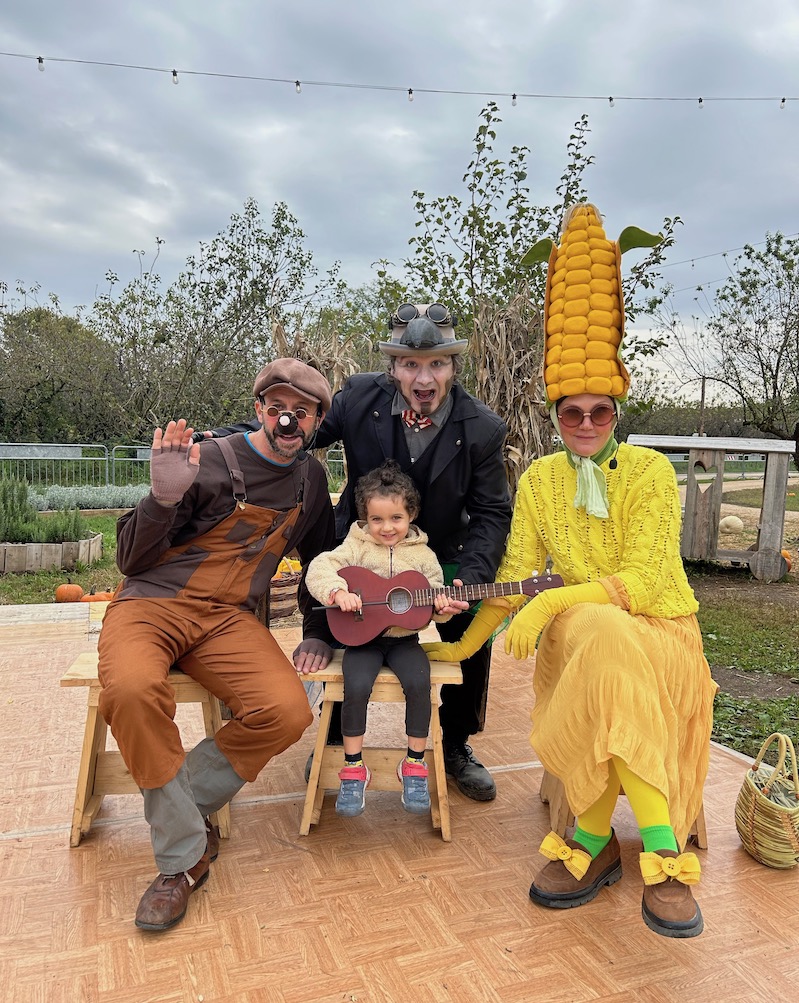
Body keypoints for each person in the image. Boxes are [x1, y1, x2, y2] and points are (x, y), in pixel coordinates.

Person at [425, 204, 717, 939]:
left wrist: (549, 605)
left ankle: (592, 840)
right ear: (554, 415)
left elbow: (643, 583)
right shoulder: (538, 481)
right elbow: (519, 574)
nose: (585, 424)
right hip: (582, 640)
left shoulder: (650, 472)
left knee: (604, 629)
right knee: (593, 630)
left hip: (661, 635)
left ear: (617, 411)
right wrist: (460, 646)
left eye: (599, 411)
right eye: (570, 413)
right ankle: (662, 853)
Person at [207, 304, 513, 801]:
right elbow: (299, 429)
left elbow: (491, 512)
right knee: (344, 617)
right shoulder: (357, 398)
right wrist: (225, 440)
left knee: (470, 617)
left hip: (439, 548)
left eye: (437, 364)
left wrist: (471, 574)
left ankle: (456, 742)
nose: (424, 378)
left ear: (453, 367)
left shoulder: (482, 428)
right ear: (393, 368)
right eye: (411, 365)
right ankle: (334, 737)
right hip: (362, 541)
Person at [97, 358, 336, 931]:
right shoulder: (206, 460)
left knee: (287, 710)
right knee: (131, 690)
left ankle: (180, 807)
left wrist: (318, 630)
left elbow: (322, 561)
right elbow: (129, 560)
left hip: (226, 618)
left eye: (301, 413)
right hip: (152, 602)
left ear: (316, 422)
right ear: (259, 410)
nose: (287, 421)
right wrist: (161, 499)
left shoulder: (310, 481)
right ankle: (182, 861)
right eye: (277, 408)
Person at [305, 459, 457, 817]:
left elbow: (432, 602)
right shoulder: (355, 546)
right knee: (355, 686)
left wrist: (443, 608)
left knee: (419, 684)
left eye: (396, 518)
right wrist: (338, 592)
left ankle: (414, 764)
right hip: (362, 641)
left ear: (411, 515)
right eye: (376, 519)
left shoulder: (423, 555)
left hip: (404, 642)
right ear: (365, 518)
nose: (386, 527)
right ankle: (354, 768)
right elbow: (319, 568)